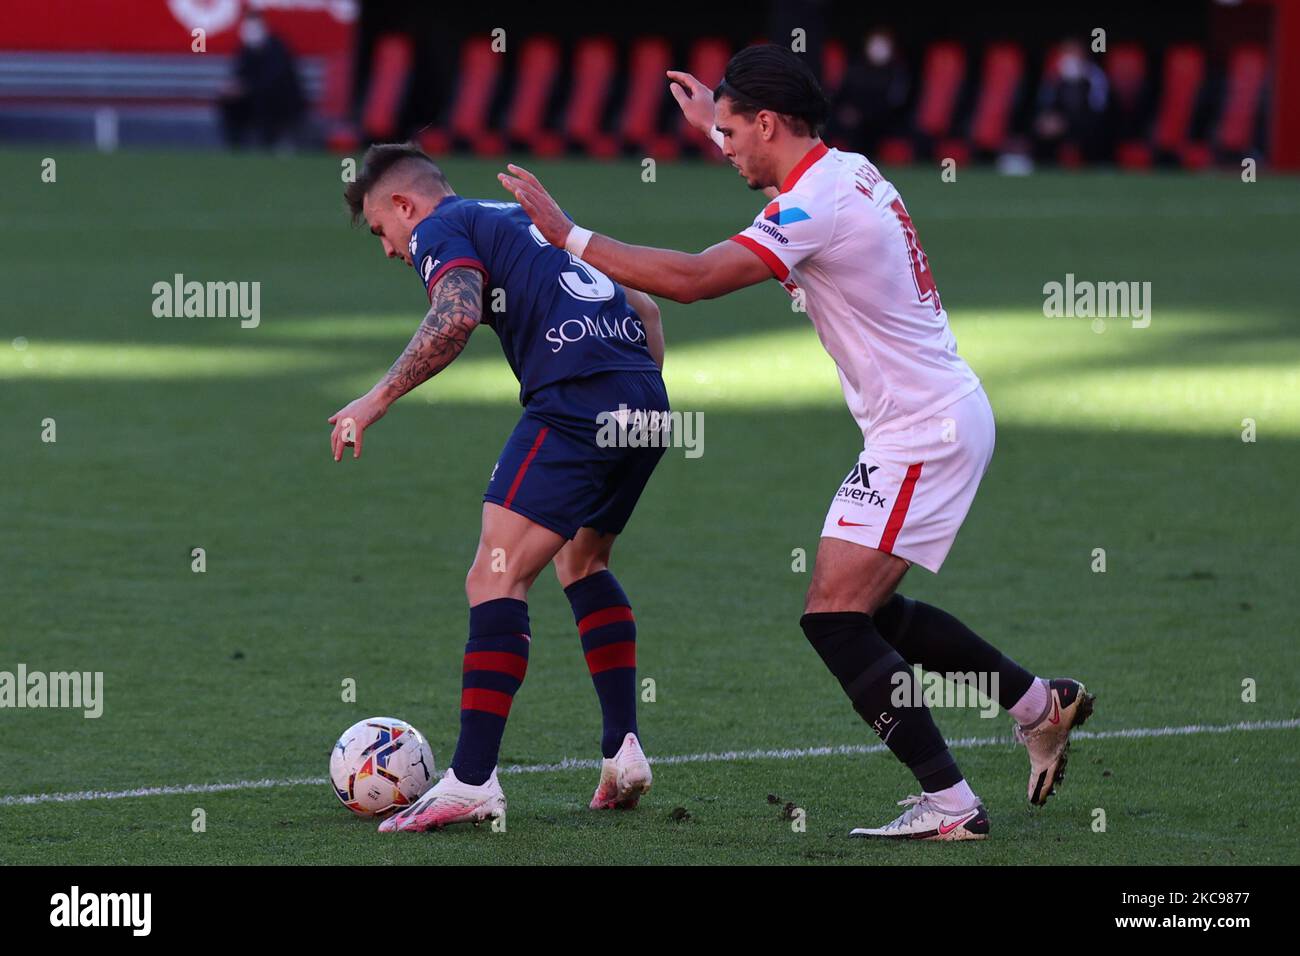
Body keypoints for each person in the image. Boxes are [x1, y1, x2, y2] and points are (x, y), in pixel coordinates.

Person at [499, 44, 1094, 840]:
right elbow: (771, 180)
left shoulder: (816, 206)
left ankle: (952, 805)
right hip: (923, 419)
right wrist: (716, 115)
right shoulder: (840, 170)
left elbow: (694, 279)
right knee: (868, 608)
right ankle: (1037, 705)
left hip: (925, 430)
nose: (726, 147)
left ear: (770, 122)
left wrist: (567, 234)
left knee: (835, 618)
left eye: (733, 133)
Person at [333, 144, 669, 831]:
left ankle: (474, 779)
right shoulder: (521, 219)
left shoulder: (438, 228)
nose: (392, 250)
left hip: (575, 400)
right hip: (645, 399)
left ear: (405, 205)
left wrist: (374, 400)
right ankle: (622, 748)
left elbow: (454, 315)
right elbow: (646, 308)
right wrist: (637, 394)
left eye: (381, 232)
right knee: (583, 561)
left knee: (494, 578)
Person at [217, 11, 307, 149]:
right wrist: (232, 88)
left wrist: (246, 88)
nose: (250, 31)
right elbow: (239, 74)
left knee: (266, 100)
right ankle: (235, 145)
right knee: (229, 102)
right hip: (252, 99)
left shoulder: (277, 47)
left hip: (280, 100)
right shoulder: (245, 50)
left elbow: (276, 80)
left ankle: (268, 143)